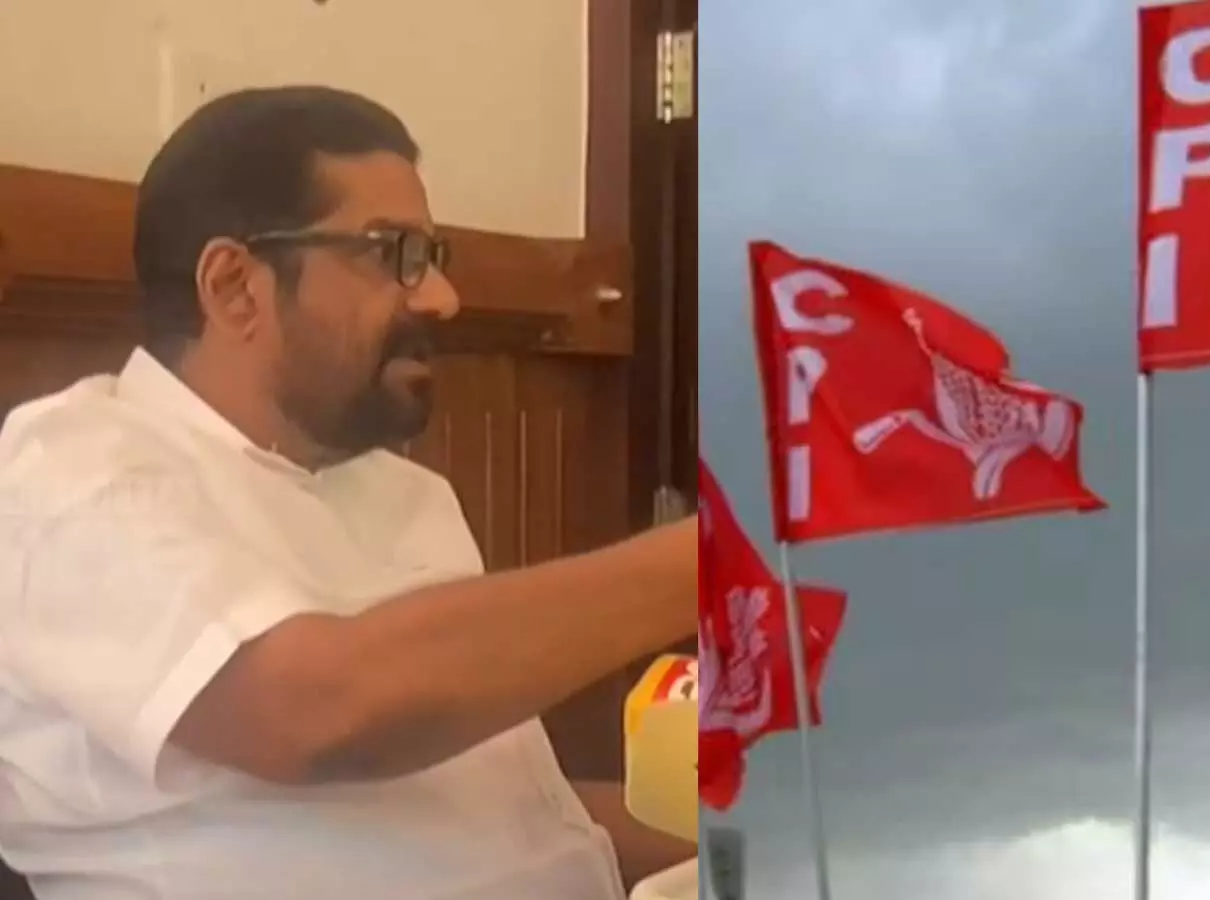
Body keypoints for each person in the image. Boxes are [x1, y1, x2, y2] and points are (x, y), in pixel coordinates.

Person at [0, 86, 697, 899]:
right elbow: (309, 714)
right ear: (234, 286)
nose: (441, 298)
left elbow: (502, 818)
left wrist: (761, 844)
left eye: (433, 257)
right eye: (394, 253)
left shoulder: (400, 490)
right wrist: (716, 560)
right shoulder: (71, 470)